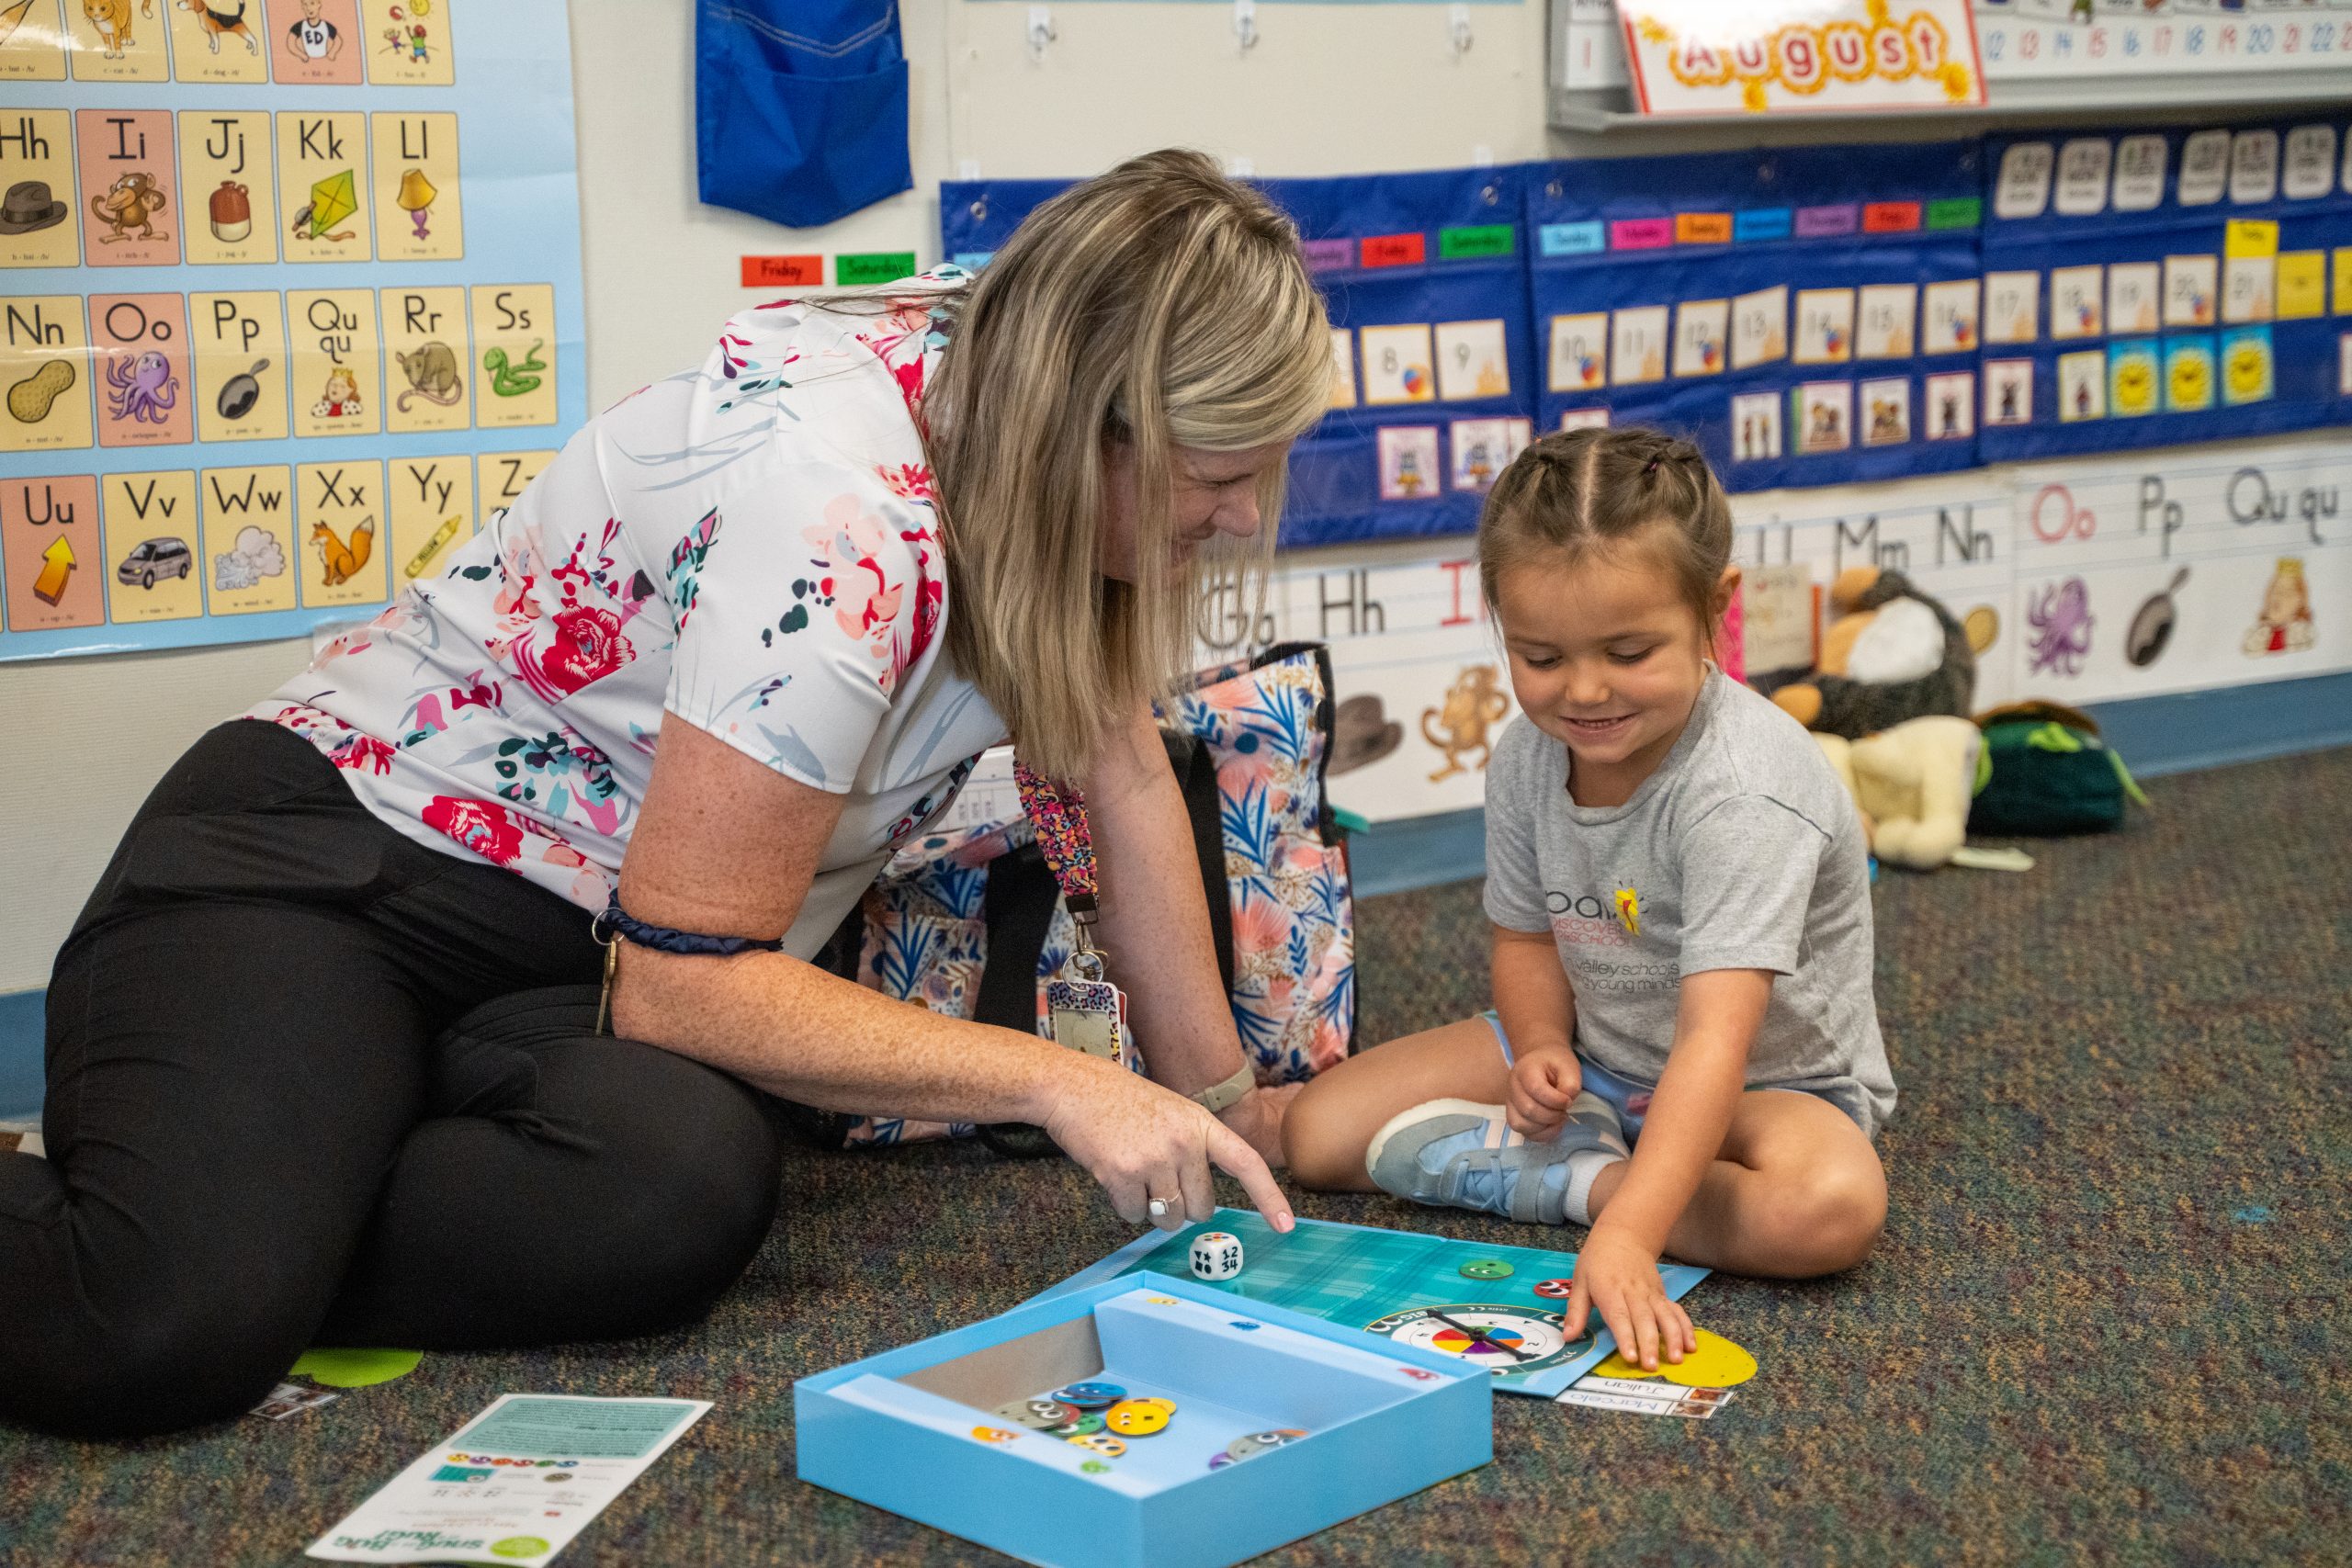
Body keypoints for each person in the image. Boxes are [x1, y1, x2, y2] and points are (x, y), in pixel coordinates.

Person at [1, 150, 1329, 1439]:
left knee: (678, 1191)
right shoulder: (833, 518)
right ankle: (222, 1220)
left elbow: (1124, 771)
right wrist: (1057, 1082)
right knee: (160, 1324)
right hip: (334, 867)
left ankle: (273, 1181)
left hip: (570, 958)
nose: (1240, 515)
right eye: (1217, 477)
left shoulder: (1019, 382)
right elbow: (686, 981)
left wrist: (1223, 1104)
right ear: (1080, 422)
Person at [1282, 427, 1894, 1375]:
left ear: (1713, 613)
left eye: (1628, 649)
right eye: (1541, 656)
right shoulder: (1528, 758)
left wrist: (1627, 1230)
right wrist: (1538, 1049)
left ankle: (1578, 1184)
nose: (1585, 691)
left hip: (1767, 1087)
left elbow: (1714, 1043)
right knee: (1315, 1137)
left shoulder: (1742, 792)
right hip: (1597, 1057)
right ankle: (1591, 1153)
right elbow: (1526, 939)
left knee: (1827, 1210)